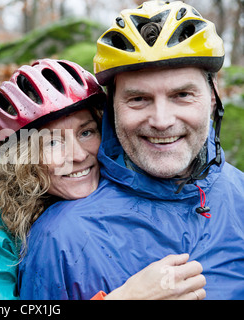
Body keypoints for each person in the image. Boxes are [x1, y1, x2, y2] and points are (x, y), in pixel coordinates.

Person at [18, 0, 244, 300]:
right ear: (112, 108)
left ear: (213, 98)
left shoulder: (240, 197)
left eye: (182, 95)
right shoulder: (61, 237)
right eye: (138, 99)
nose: (162, 122)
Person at [0, 58, 206, 300]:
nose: (78, 155)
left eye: (86, 132)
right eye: (51, 142)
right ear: (20, 157)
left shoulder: (123, 176)